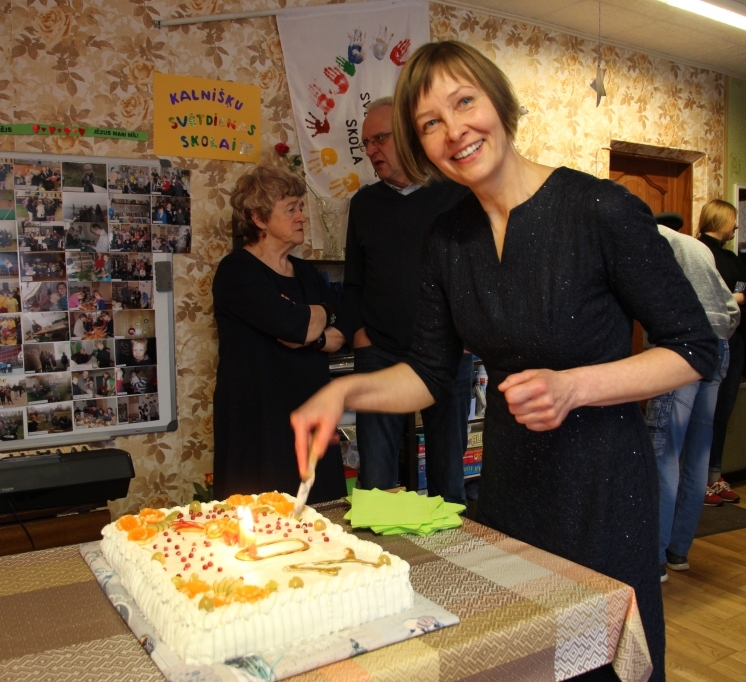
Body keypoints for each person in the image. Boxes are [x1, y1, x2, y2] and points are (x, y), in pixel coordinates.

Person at [290, 42, 716, 682]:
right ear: (420, 144)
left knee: (598, 663)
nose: (454, 130)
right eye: (431, 122)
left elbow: (693, 348)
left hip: (603, 491)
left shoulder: (599, 209)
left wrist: (575, 387)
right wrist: (343, 395)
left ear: (501, 104)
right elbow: (430, 374)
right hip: (511, 493)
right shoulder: (449, 238)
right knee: (523, 659)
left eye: (465, 102)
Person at [344, 96, 472, 504]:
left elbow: (480, 274)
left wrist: (469, 335)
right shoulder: (364, 204)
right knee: (377, 482)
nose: (371, 151)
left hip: (447, 352)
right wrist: (361, 338)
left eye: (379, 139)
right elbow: (354, 282)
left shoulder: (458, 195)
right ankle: (383, 563)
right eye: (366, 144)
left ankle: (450, 564)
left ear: (408, 135)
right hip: (379, 352)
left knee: (448, 475)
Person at [212, 164, 349, 504]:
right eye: (291, 209)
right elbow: (294, 326)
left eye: (300, 207)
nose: (301, 216)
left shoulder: (305, 272)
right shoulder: (237, 270)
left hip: (310, 412)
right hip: (259, 418)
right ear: (259, 219)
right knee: (260, 522)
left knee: (321, 514)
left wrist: (313, 329)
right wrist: (310, 323)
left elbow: (338, 326)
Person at [647, 213, 739, 581]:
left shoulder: (651, 242)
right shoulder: (696, 247)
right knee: (698, 453)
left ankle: (653, 559)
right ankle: (677, 553)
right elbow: (730, 307)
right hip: (719, 347)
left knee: (664, 452)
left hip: (683, 348)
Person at [697, 200, 746, 504]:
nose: (737, 226)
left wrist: (737, 296)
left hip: (736, 342)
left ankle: (714, 476)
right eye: (734, 220)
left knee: (722, 413)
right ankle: (697, 479)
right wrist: (736, 298)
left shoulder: (732, 257)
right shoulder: (697, 252)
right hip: (709, 342)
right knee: (703, 414)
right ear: (721, 220)